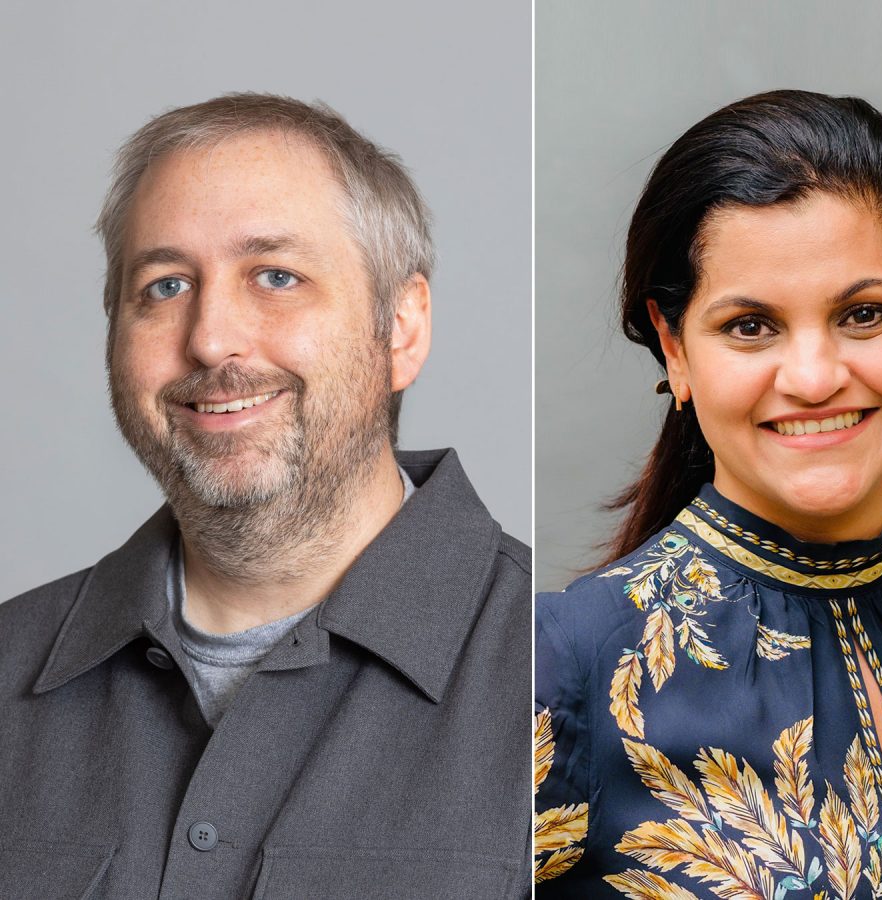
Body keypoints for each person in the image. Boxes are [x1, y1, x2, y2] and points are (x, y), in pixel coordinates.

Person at [534, 90, 882, 897]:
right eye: (750, 326)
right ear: (675, 348)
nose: (815, 378)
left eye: (863, 313)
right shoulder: (566, 670)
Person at [0, 94, 531, 898]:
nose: (211, 337)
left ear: (402, 328)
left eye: (276, 276)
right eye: (165, 285)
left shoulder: (583, 679)